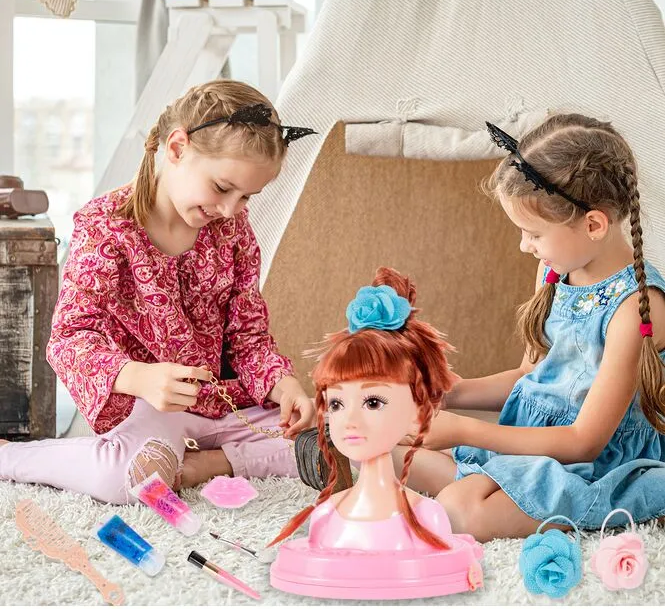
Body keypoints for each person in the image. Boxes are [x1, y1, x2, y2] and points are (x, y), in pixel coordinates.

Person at [0, 80, 317, 504]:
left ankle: (210, 462)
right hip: (151, 410)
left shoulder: (233, 230)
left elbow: (248, 336)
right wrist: (140, 378)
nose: (230, 209)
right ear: (177, 148)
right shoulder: (105, 226)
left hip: (224, 404)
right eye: (223, 188)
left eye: (246, 197)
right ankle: (11, 457)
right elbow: (69, 340)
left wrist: (281, 384)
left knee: (331, 436)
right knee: (126, 479)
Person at [394, 114, 665, 542]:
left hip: (593, 462)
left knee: (461, 510)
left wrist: (462, 429)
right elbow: (529, 377)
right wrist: (449, 392)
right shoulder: (556, 271)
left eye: (533, 233)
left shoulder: (637, 309)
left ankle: (487, 493)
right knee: (385, 443)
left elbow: (584, 441)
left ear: (594, 225)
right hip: (534, 441)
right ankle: (478, 485)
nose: (525, 246)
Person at [269, 267, 457, 550]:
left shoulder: (430, 518)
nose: (349, 420)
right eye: (336, 404)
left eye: (372, 402)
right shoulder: (323, 518)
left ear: (419, 411)